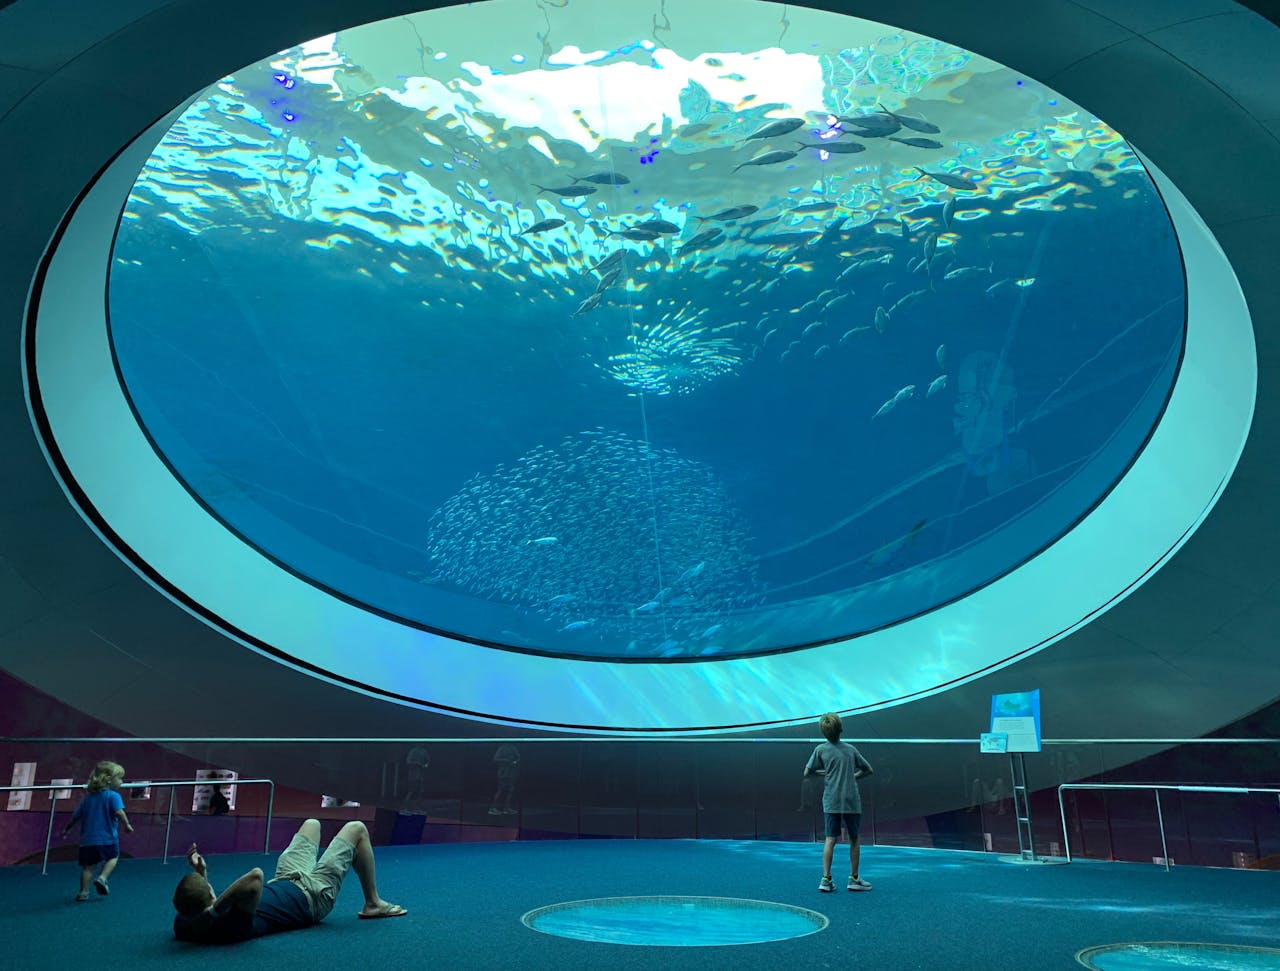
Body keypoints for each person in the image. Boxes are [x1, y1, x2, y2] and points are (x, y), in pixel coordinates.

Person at [172, 819, 406, 943]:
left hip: (286, 878)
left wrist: (201, 873)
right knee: (357, 829)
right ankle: (373, 903)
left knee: (312, 824)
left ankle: (372, 901)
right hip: (312, 896)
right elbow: (255, 877)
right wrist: (213, 910)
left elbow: (198, 905)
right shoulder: (232, 927)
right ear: (211, 904)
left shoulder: (184, 924)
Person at [804, 712, 874, 893]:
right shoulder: (851, 749)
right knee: (854, 839)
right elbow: (868, 770)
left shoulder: (820, 750)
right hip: (851, 800)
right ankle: (854, 879)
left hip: (831, 800)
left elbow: (807, 772)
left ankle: (826, 879)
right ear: (841, 729)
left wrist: (824, 773)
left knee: (830, 839)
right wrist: (853, 776)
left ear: (823, 732)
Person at [62, 760, 133, 902]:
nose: (121, 781)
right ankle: (103, 877)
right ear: (108, 780)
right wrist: (127, 824)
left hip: (87, 841)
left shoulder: (87, 799)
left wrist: (66, 829)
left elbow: (75, 817)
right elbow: (119, 812)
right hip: (107, 839)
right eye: (119, 778)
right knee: (113, 857)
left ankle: (83, 892)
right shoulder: (113, 796)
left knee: (88, 867)